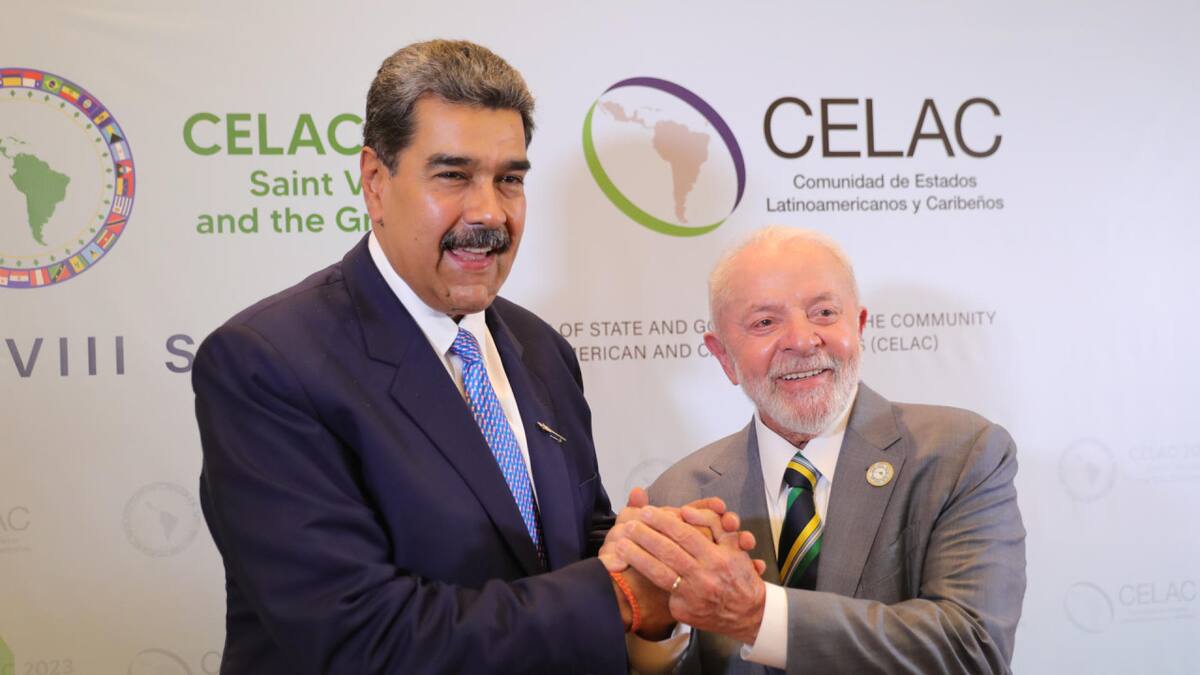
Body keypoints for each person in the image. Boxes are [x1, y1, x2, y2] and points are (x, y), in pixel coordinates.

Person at [193, 39, 715, 674]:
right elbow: (361, 639)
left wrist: (659, 560)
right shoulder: (267, 363)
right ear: (375, 182)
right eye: (453, 176)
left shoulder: (541, 349)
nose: (489, 212)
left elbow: (572, 550)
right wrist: (617, 594)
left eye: (510, 180)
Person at [610, 227, 1026, 674]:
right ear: (723, 356)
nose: (803, 340)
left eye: (824, 312)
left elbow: (973, 651)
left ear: (859, 327)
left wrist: (758, 616)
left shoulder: (961, 455)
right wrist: (650, 628)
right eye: (765, 322)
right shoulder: (676, 497)